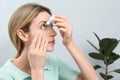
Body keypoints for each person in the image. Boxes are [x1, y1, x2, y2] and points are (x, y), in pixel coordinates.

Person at [0, 3, 99, 80]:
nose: (54, 33)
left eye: (51, 25)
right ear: (23, 35)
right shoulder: (4, 75)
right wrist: (37, 70)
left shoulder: (52, 62)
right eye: (43, 26)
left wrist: (69, 43)